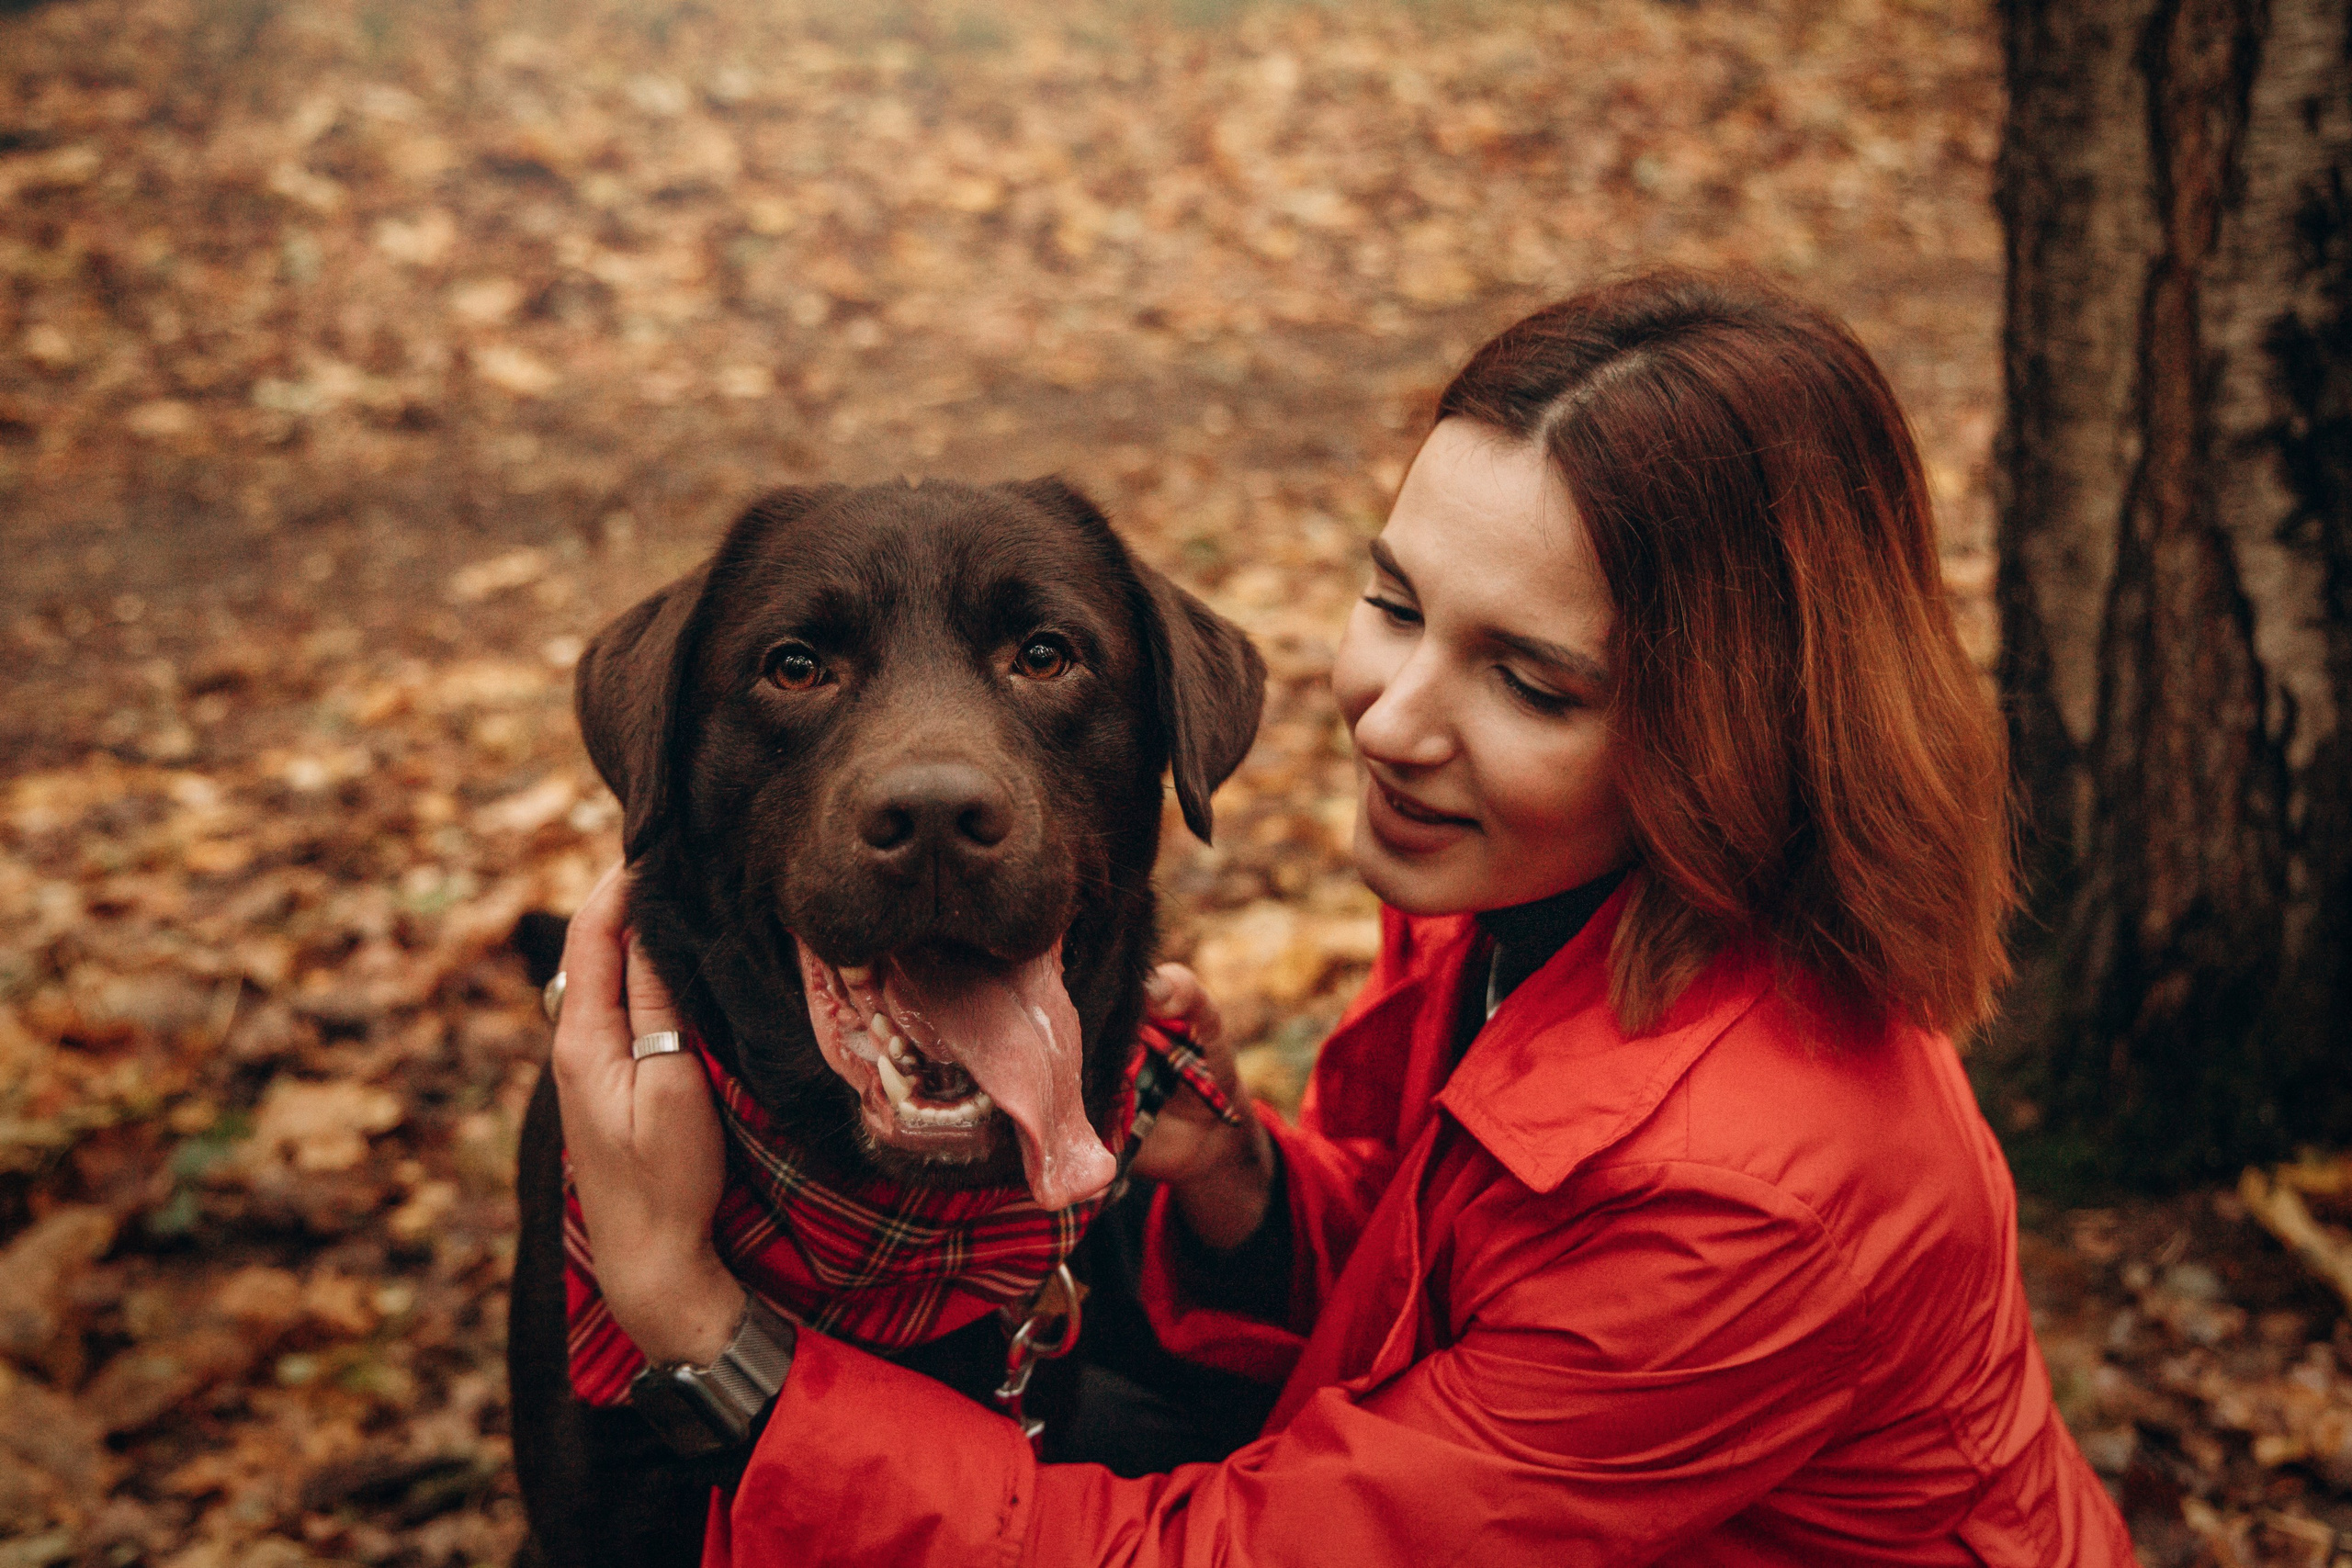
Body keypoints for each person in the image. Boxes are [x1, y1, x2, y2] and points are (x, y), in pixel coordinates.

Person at [550, 270, 2140, 1565]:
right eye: (1396, 605)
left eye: (1528, 681)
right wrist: (1242, 1177)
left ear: (1732, 739)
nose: (1388, 724)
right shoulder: (1537, 883)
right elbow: (1447, 1276)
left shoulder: (1760, 1195)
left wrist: (693, 1321)